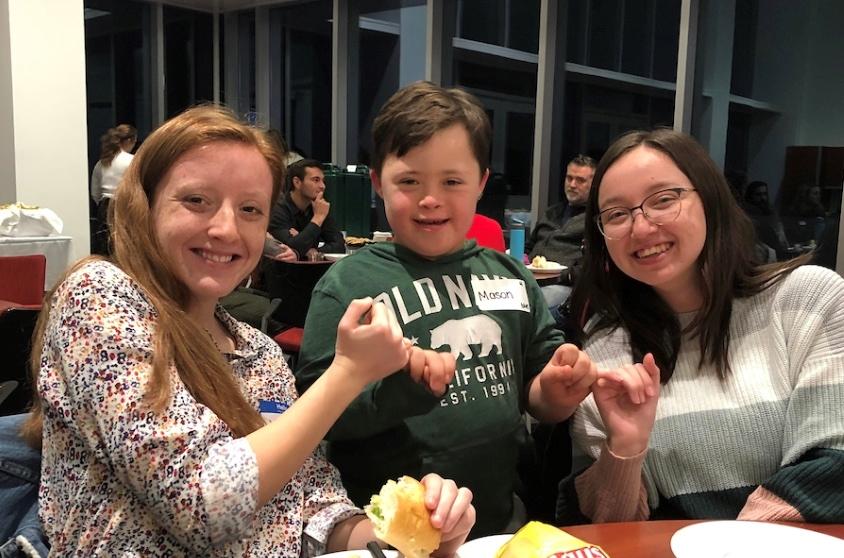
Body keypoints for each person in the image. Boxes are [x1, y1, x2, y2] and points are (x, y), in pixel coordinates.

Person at [20, 105, 476, 556]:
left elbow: (314, 507)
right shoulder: (98, 295)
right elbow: (199, 502)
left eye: (250, 209)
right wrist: (348, 373)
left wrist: (412, 533)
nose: (225, 228)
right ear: (146, 203)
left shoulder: (258, 351)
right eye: (197, 200)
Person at [295, 81, 599, 537]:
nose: (430, 198)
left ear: (480, 183)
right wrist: (399, 389)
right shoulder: (348, 287)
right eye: (409, 181)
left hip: (499, 522)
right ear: (378, 183)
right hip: (394, 535)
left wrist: (557, 388)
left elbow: (537, 389)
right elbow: (317, 418)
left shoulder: (510, 276)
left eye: (452, 181)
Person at [557, 128, 844, 525]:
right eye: (617, 214)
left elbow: (834, 463)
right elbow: (611, 528)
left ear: (709, 199)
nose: (641, 228)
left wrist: (731, 545)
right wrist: (624, 449)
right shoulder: (606, 351)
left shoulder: (807, 301)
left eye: (663, 200)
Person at [526, 155, 597, 309]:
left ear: (593, 185)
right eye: (569, 178)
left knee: (529, 306)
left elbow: (589, 267)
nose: (572, 185)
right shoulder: (552, 212)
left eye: (580, 180)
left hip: (563, 285)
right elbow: (529, 247)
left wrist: (557, 277)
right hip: (529, 279)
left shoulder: (595, 220)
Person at [267, 159, 345, 261]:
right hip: (282, 272)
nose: (323, 186)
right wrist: (317, 219)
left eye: (323, 180)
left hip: (312, 271)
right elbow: (290, 250)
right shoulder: (278, 210)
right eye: (316, 180)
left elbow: (339, 246)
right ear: (297, 182)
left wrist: (313, 251)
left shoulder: (318, 206)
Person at [90, 123, 137, 255]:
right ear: (129, 140)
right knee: (125, 246)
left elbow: (95, 192)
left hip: (104, 206)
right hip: (124, 205)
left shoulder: (102, 162)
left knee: (105, 247)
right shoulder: (132, 161)